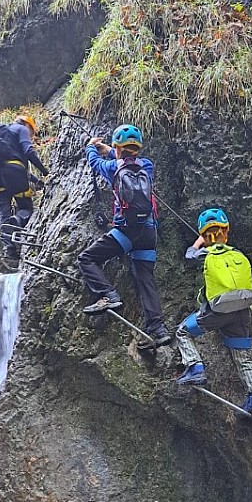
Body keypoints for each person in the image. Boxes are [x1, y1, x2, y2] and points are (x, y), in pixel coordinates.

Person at [77, 124, 172, 347]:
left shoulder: (112, 168)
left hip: (126, 231)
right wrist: (108, 148)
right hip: (149, 232)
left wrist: (91, 147)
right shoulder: (147, 166)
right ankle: (158, 329)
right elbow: (124, 157)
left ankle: (108, 295)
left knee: (87, 259)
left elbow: (95, 163)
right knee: (145, 279)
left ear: (118, 148)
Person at [175, 208, 252, 417]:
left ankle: (195, 367)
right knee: (242, 355)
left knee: (182, 332)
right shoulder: (238, 253)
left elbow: (189, 256)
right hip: (242, 311)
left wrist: (199, 242)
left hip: (218, 311)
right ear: (226, 232)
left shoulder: (204, 253)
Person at [0, 115, 48, 263]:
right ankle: (17, 220)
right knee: (26, 208)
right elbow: (28, 151)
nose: (31, 136)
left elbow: (10, 162)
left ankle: (9, 250)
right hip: (15, 174)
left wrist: (36, 181)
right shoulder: (21, 129)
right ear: (28, 125)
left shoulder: (3, 135)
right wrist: (44, 171)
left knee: (3, 212)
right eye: (32, 133)